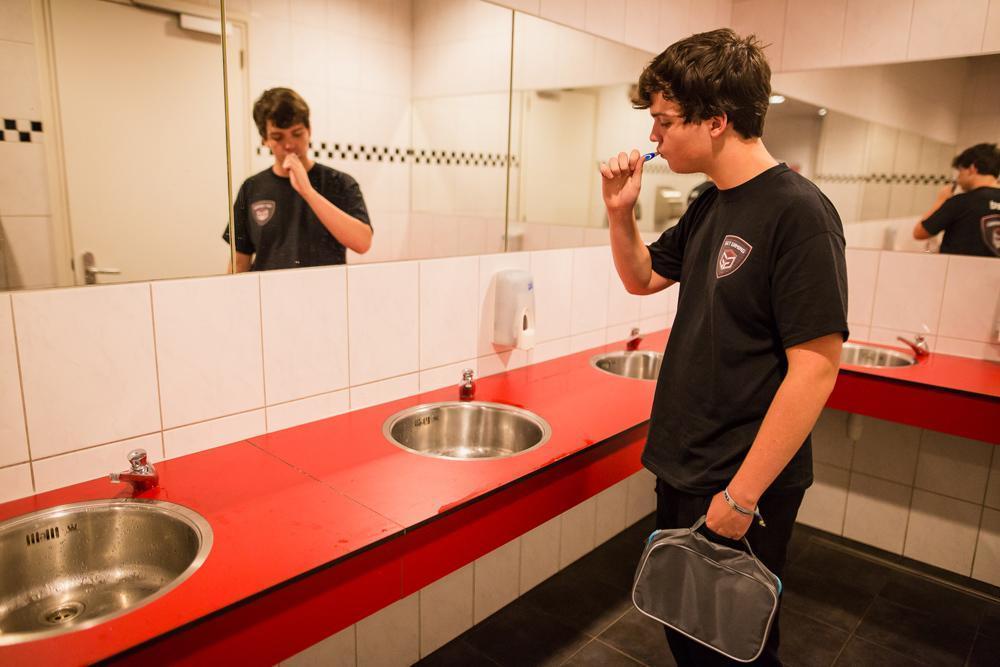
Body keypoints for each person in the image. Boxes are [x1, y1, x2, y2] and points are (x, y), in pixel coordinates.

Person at [599, 28, 848, 665]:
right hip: (686, 461)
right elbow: (642, 278)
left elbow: (816, 370)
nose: (653, 136)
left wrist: (741, 497)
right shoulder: (712, 202)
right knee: (687, 635)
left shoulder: (799, 213)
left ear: (716, 120)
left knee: (734, 648)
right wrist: (620, 213)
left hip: (738, 479)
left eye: (664, 121)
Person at [223, 88, 373, 271]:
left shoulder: (339, 183)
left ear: (309, 130)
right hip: (268, 289)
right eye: (278, 137)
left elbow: (363, 243)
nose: (289, 145)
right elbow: (239, 260)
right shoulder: (252, 188)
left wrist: (308, 192)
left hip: (327, 288)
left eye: (297, 133)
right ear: (264, 140)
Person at [912, 143, 1000, 257]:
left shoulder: (962, 201)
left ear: (972, 168)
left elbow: (919, 233)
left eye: (960, 170)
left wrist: (941, 200)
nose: (958, 178)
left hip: (959, 267)